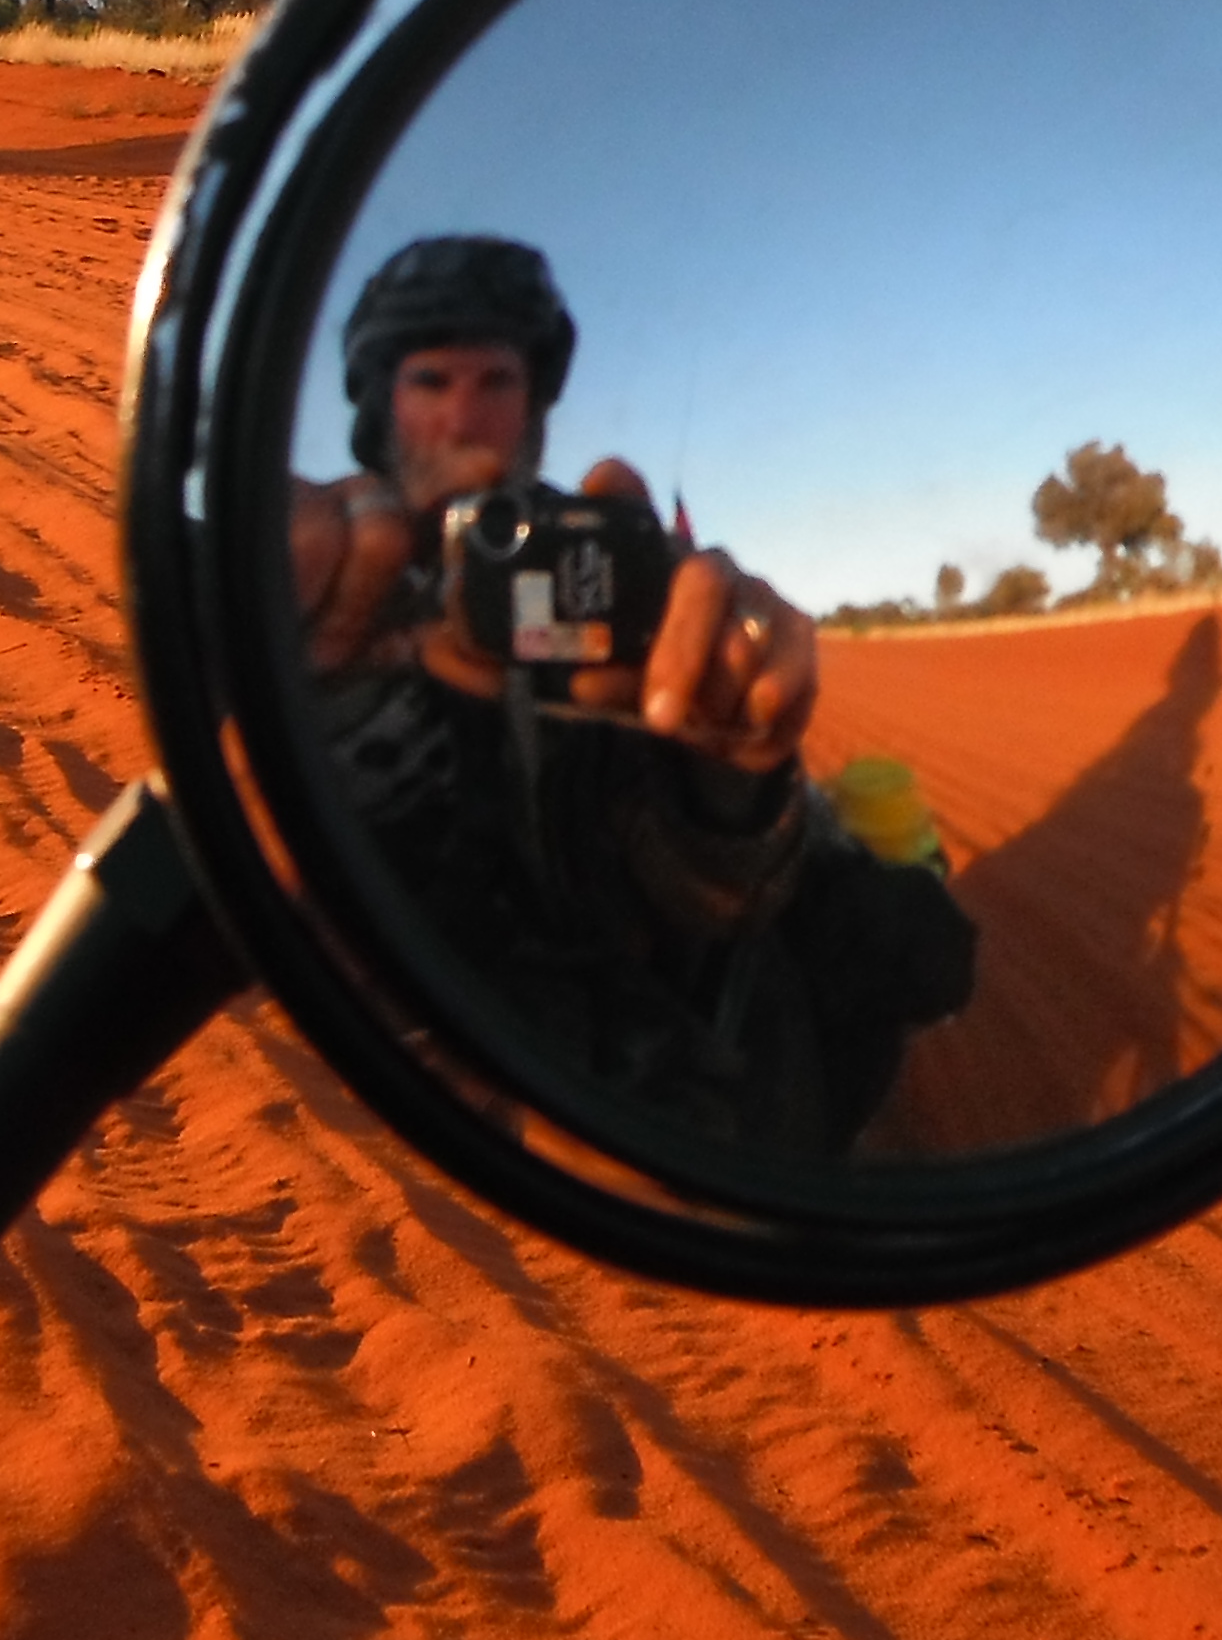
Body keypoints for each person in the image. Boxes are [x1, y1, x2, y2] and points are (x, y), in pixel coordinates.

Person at [290, 233, 975, 1158]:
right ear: (380, 407)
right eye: (430, 382)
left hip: (665, 1015)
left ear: (534, 404)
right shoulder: (317, 610)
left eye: (495, 380)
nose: (465, 420)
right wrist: (323, 701)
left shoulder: (612, 578)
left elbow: (716, 895)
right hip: (472, 1081)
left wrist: (732, 772)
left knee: (914, 943)